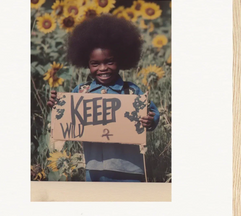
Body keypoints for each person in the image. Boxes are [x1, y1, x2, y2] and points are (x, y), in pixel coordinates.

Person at [47, 13, 160, 182]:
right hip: (94, 170)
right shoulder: (81, 92)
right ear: (87, 64)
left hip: (130, 170)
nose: (103, 68)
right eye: (95, 63)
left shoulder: (131, 91)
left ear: (121, 60)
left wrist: (150, 120)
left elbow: (152, 113)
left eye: (109, 61)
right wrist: (57, 105)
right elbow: (67, 116)